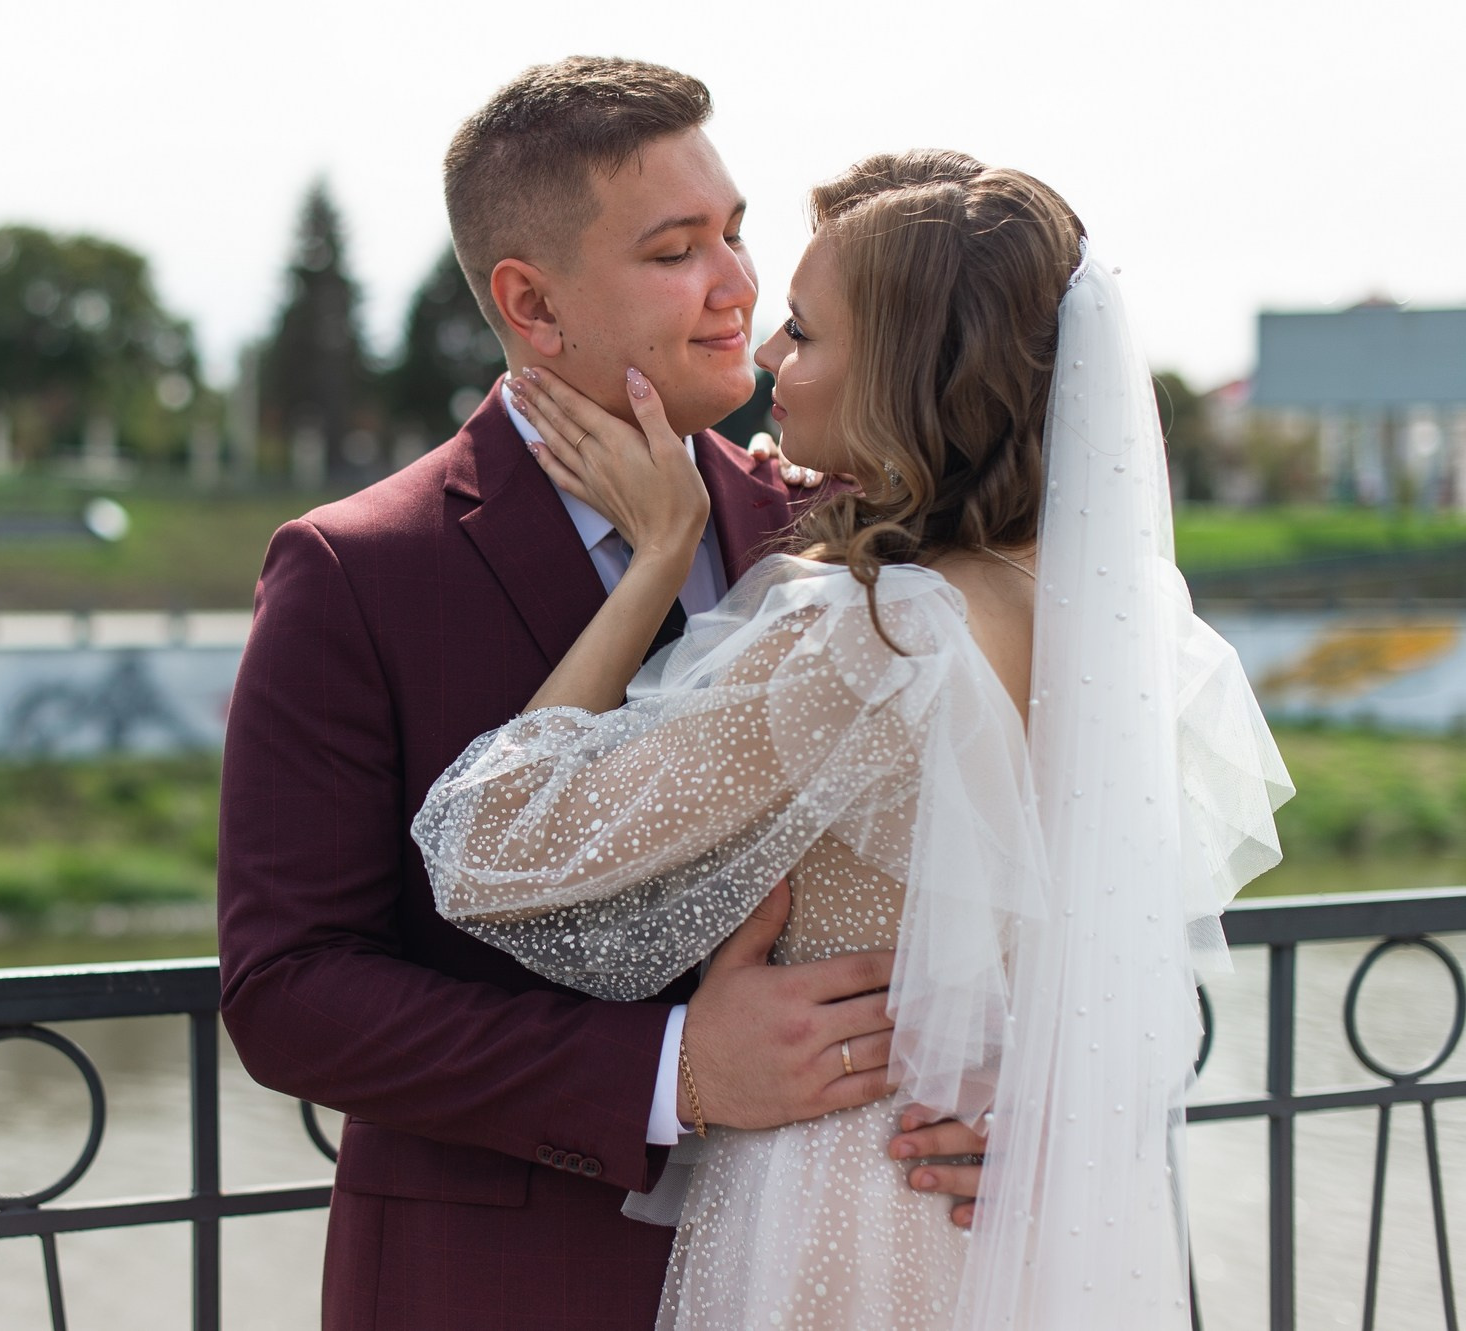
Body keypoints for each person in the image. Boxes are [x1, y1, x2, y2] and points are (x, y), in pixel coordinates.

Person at [413, 150, 1294, 1329]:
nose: (768, 351)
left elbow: (488, 843)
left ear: (902, 374)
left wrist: (657, 559)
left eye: (805, 330)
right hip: (1008, 1216)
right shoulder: (1124, 619)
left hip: (844, 1212)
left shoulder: (873, 637)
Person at [217, 60, 982, 1331]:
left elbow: (1020, 864)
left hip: (839, 1264)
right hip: (504, 1288)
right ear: (531, 302)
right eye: (676, 251)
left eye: (734, 231)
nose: (737, 284)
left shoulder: (845, 528)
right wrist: (675, 1070)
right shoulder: (356, 568)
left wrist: (1014, 1098)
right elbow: (287, 992)